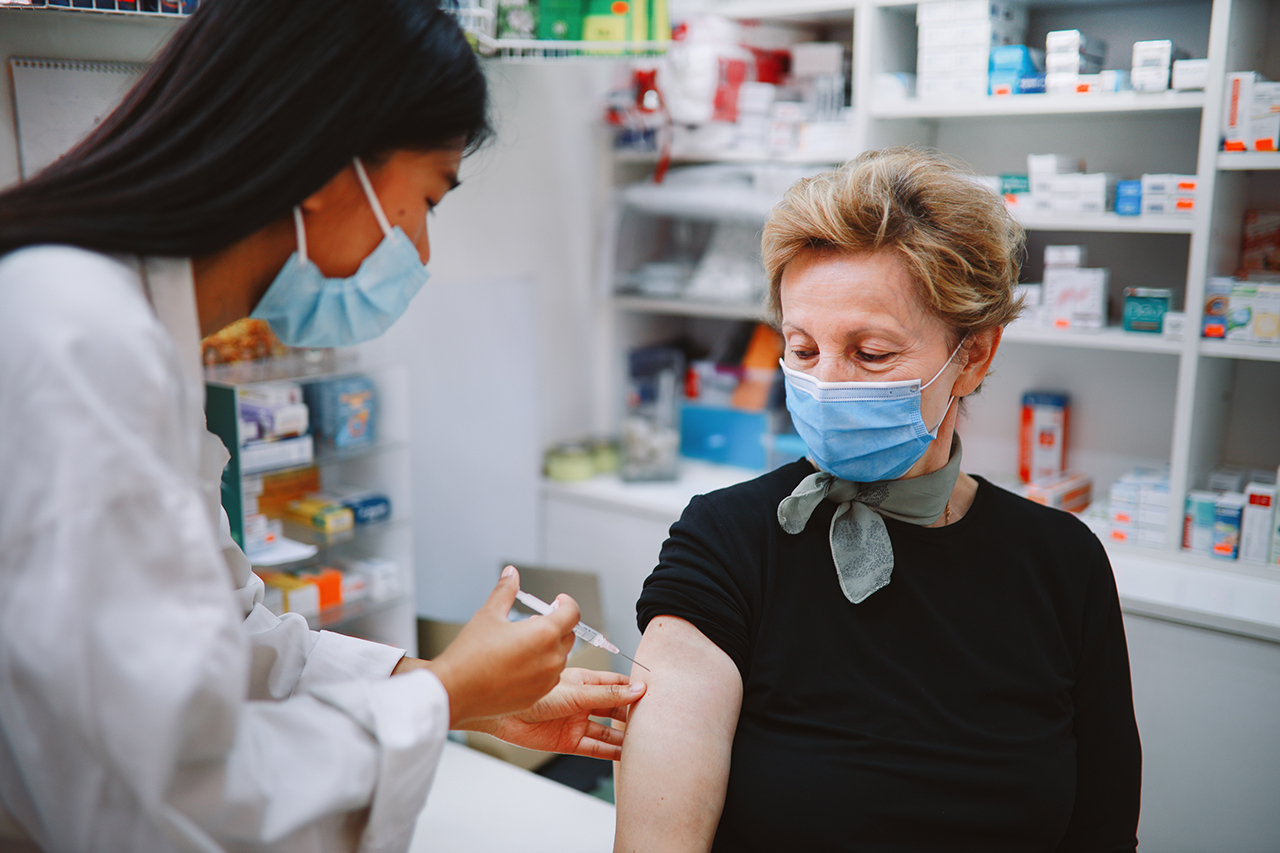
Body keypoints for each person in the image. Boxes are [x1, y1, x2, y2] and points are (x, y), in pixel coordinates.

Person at [0, 1, 644, 851]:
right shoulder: (79, 337)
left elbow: (227, 643)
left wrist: (455, 686)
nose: (417, 248)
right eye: (427, 199)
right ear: (326, 163)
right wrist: (444, 695)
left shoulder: (137, 336)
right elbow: (161, 797)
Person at [614, 148, 1142, 852]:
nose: (828, 383)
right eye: (802, 350)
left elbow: (1103, 832)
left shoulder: (1060, 563)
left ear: (976, 354)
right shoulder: (727, 542)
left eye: (871, 353)